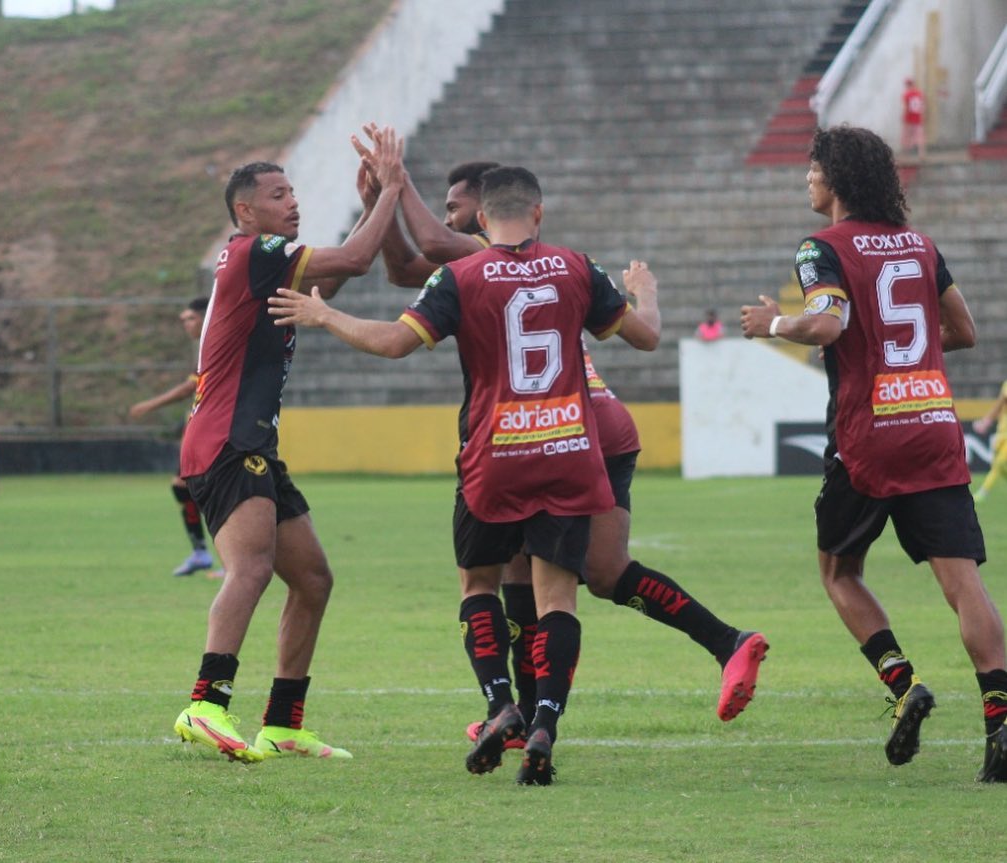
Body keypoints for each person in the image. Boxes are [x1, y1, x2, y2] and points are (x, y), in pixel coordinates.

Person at [349, 139, 768, 740]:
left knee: (589, 573)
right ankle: (519, 716)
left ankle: (725, 641)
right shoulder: (517, 263)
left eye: (452, 207)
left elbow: (438, 250)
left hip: (572, 431)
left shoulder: (490, 257)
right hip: (575, 428)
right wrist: (382, 207)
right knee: (529, 577)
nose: (443, 221)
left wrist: (397, 184)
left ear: (483, 210)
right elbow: (401, 270)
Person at [268, 166, 660, 785]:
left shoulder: (461, 274)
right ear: (538, 213)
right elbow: (647, 338)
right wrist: (647, 292)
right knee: (557, 597)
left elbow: (396, 342)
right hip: (566, 450)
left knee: (479, 585)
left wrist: (325, 318)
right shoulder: (578, 267)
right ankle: (544, 727)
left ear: (481, 219)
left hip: (494, 454)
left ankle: (501, 703)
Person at [740, 125, 1007, 782]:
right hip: (932, 425)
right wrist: (906, 355)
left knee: (838, 571)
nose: (806, 178)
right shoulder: (919, 246)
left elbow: (826, 324)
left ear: (836, 179)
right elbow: (962, 331)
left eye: (812, 168)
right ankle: (1000, 729)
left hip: (868, 436)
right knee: (961, 582)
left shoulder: (820, 248)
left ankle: (902, 685)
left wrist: (771, 324)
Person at [173, 127, 406, 763]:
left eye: (292, 191)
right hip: (226, 440)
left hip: (249, 441)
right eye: (278, 194)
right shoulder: (254, 251)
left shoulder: (265, 261)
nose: (292, 202)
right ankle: (206, 704)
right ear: (245, 210)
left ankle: (282, 723)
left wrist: (370, 208)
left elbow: (327, 290)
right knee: (249, 567)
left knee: (312, 579)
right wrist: (391, 187)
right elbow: (355, 261)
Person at [129, 296, 220, 577]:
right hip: (200, 425)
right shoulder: (206, 344)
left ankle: (233, 560)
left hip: (217, 427)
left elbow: (187, 390)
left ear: (205, 317)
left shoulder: (216, 340)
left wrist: (149, 405)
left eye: (190, 318)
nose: (185, 324)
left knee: (214, 492)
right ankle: (201, 553)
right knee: (183, 487)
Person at [972, 381, 1007, 503]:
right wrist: (985, 422)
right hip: (1003, 430)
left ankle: (983, 492)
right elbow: (999, 406)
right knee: (998, 466)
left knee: (999, 462)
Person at [900, 78, 926, 161]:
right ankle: (921, 154)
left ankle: (906, 154)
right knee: (919, 136)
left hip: (909, 118)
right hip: (918, 118)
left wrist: (903, 117)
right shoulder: (919, 93)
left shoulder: (906, 94)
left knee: (906, 136)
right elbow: (923, 106)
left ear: (908, 85)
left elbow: (906, 108)